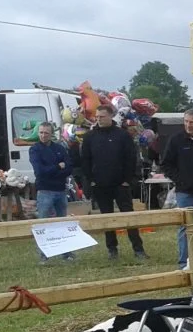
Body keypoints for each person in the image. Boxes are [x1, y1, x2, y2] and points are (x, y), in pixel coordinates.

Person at [82, 106, 147, 260]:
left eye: (102, 116)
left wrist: (127, 180)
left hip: (120, 184)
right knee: (107, 218)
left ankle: (138, 249)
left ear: (111, 116)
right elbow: (85, 161)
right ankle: (112, 249)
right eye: (97, 117)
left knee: (128, 217)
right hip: (100, 185)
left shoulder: (122, 135)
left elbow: (130, 159)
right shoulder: (90, 137)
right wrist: (90, 180)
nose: (99, 119)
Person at [161, 109, 193, 270]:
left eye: (191, 122)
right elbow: (166, 164)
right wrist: (180, 180)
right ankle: (184, 262)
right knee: (185, 227)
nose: (188, 125)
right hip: (185, 192)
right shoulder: (176, 140)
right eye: (185, 122)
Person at [28, 123, 76, 259]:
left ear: (51, 134)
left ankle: (66, 253)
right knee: (43, 224)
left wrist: (55, 170)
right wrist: (57, 167)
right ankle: (43, 255)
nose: (43, 135)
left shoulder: (59, 148)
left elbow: (69, 168)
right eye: (41, 132)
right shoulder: (34, 149)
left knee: (63, 223)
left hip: (60, 190)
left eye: (46, 133)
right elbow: (39, 171)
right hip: (44, 191)